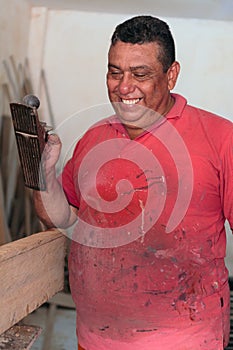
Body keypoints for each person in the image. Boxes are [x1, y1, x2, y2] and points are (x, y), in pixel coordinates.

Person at [33, 15, 233, 350]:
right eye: (115, 72)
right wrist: (43, 174)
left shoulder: (220, 138)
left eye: (140, 74)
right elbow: (62, 217)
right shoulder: (94, 138)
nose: (124, 87)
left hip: (185, 339)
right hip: (95, 337)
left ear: (171, 74)